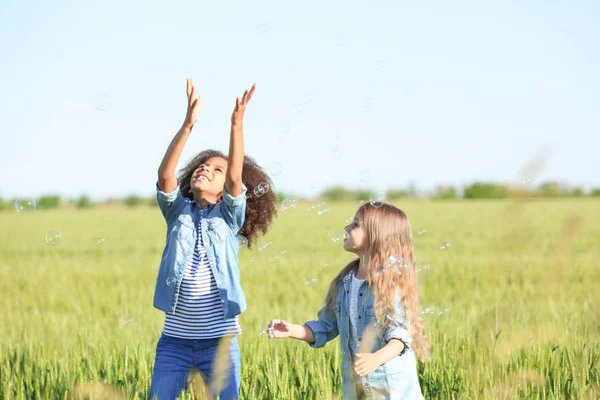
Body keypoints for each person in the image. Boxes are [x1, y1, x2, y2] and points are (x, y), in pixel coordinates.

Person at [150, 78, 277, 400]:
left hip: (220, 344)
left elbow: (236, 176)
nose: (204, 170)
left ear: (225, 190)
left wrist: (236, 123)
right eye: (201, 166)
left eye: (215, 170)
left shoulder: (227, 217)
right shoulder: (177, 211)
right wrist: (188, 124)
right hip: (174, 344)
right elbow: (165, 176)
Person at [267, 202, 431, 399]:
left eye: (355, 224)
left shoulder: (389, 286)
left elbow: (400, 336)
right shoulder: (344, 283)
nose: (347, 228)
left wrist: (376, 359)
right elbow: (327, 327)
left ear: (376, 236)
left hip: (392, 392)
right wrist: (293, 330)